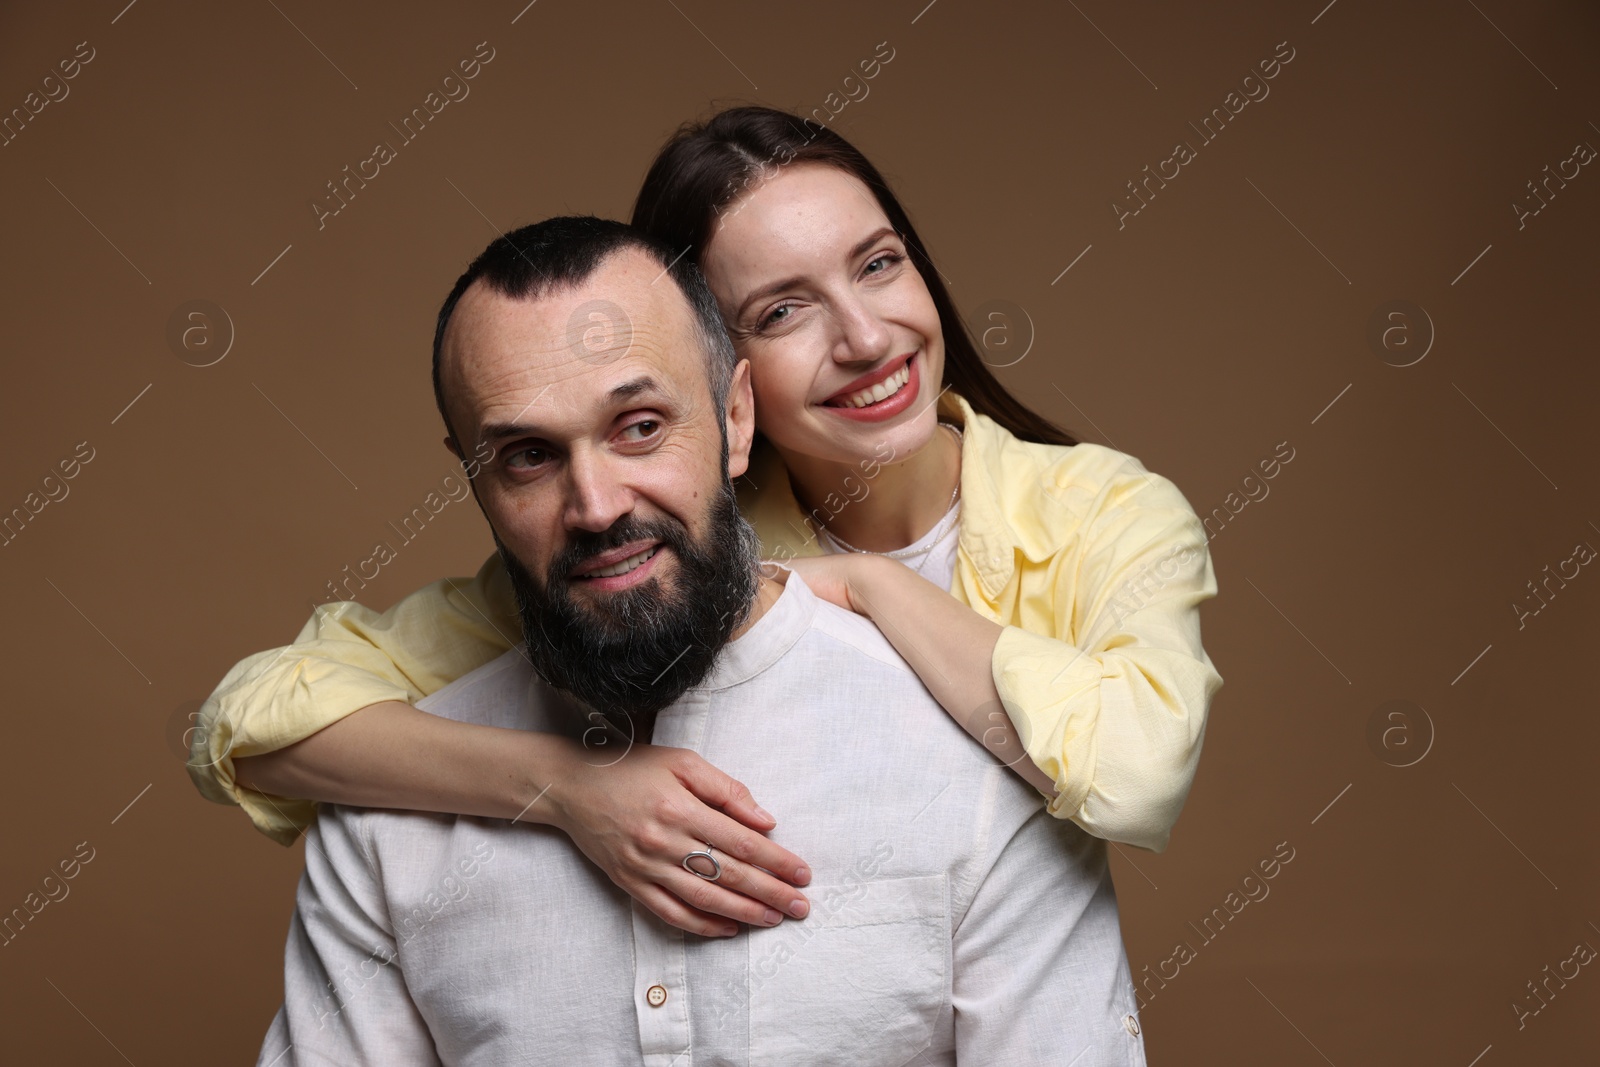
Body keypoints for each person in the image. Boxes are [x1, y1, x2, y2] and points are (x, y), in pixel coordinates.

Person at [192, 105, 1223, 938]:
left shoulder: (1108, 510)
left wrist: (873, 586)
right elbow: (252, 723)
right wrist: (561, 785)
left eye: (877, 264)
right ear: (721, 386)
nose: (867, 337)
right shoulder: (653, 542)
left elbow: (1132, 775)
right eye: (783, 311)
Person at [257, 215, 1148, 1065]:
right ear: (473, 474)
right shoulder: (380, 817)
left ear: (736, 420)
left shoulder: (977, 766)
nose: (597, 505)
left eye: (640, 426)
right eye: (528, 455)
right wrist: (560, 787)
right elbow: (244, 730)